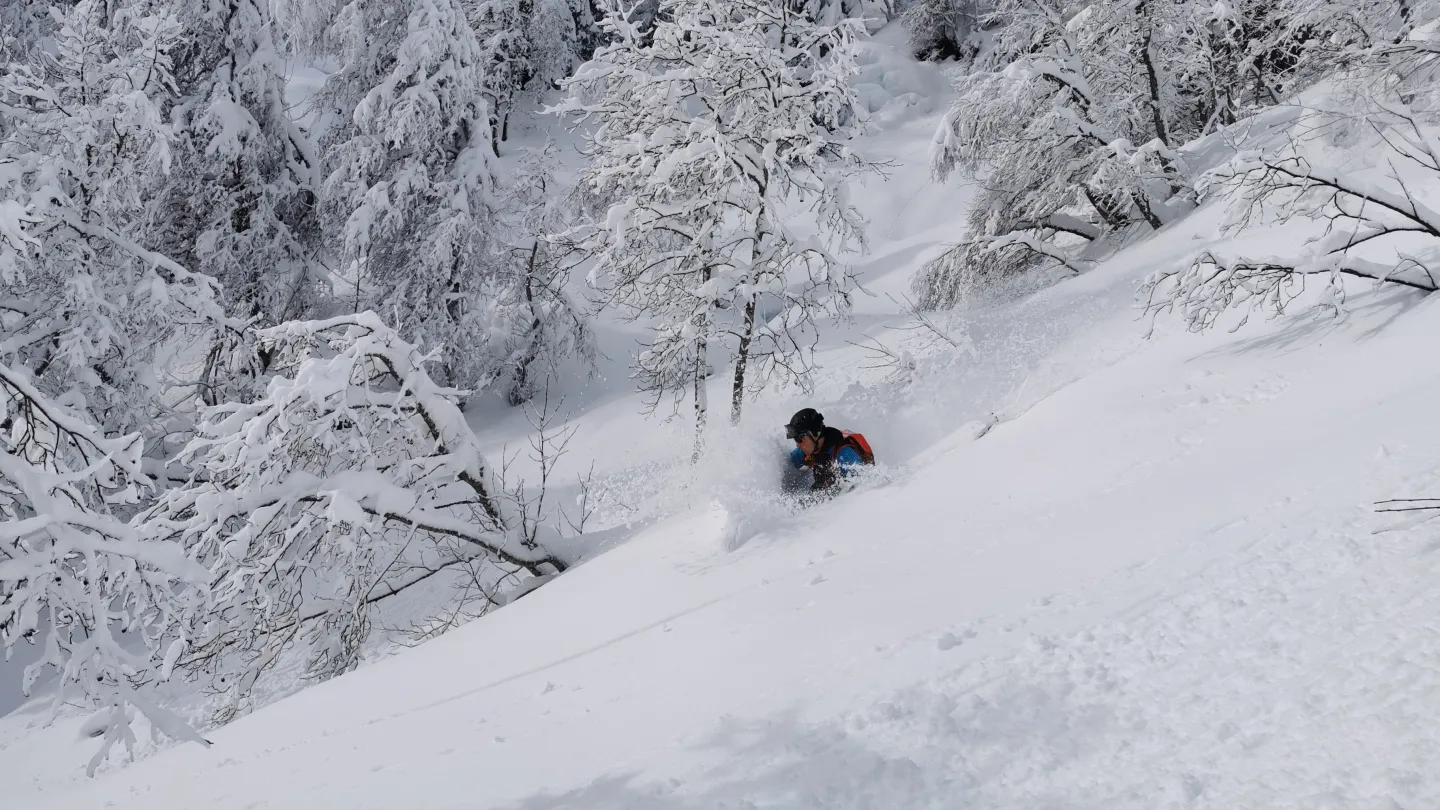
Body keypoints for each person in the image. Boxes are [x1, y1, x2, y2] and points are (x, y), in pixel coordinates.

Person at [784, 408, 874, 493]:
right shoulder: (809, 448)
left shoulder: (844, 454)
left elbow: (860, 490)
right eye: (795, 440)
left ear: (815, 434)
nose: (797, 444)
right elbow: (787, 462)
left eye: (800, 439)